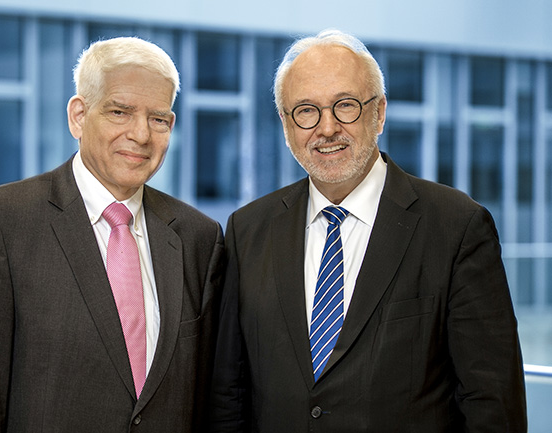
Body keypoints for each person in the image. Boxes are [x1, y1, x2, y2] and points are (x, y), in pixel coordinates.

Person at [210, 29, 527, 432]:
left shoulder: (457, 226)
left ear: (379, 113)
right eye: (306, 111)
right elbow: (228, 396)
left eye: (345, 106)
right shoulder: (247, 230)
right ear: (286, 126)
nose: (327, 128)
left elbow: (493, 404)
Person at [0, 36, 224, 433]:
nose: (141, 135)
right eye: (120, 112)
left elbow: (207, 400)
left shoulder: (199, 238)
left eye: (158, 119)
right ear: (78, 116)